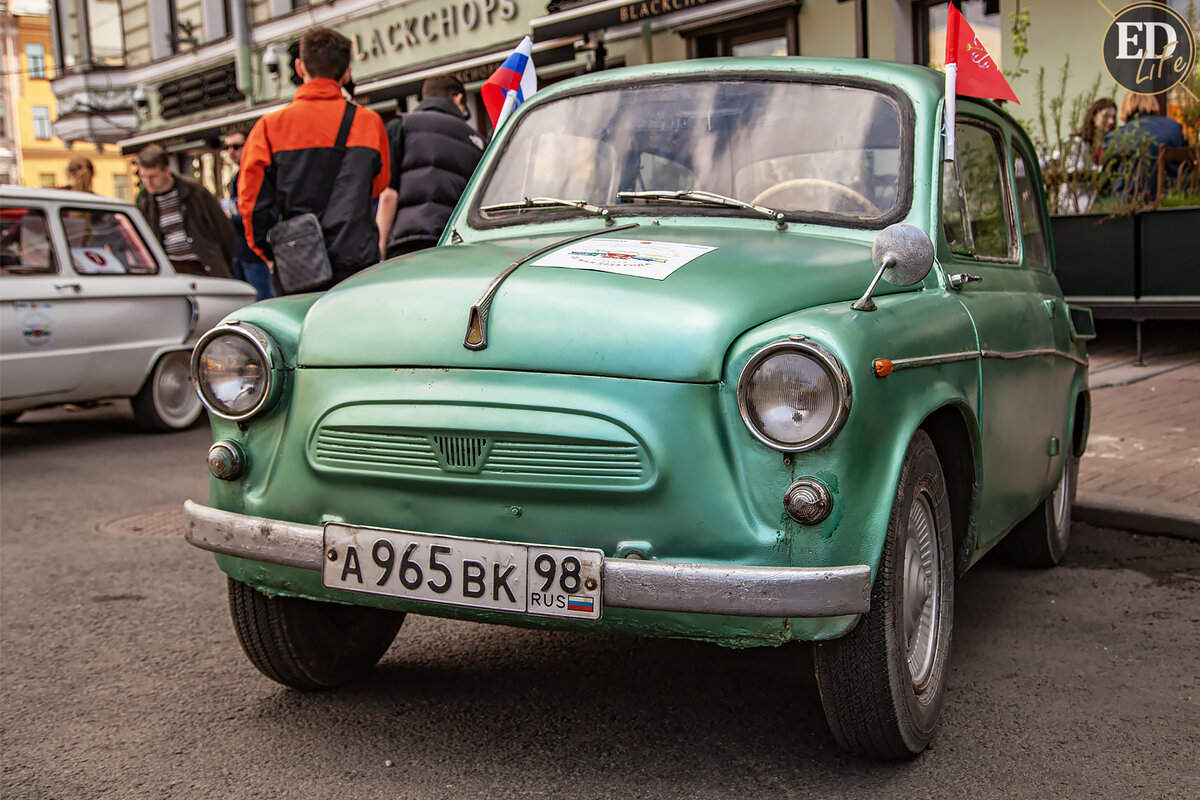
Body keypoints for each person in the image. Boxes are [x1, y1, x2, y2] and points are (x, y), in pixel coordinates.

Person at [239, 27, 389, 294]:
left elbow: (252, 207)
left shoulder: (269, 127)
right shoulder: (369, 122)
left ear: (300, 67)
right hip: (356, 259)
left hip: (298, 264)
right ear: (346, 72)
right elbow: (378, 185)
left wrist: (272, 254)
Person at [375, 74, 485, 260]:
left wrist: (381, 245)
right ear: (458, 98)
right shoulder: (477, 142)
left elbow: (388, 195)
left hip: (406, 242)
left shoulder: (400, 127)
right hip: (455, 243)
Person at [134, 145, 236, 277]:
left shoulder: (194, 192)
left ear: (166, 170)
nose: (148, 182)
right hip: (170, 271)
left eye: (153, 176)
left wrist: (222, 263)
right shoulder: (145, 201)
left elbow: (224, 230)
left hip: (203, 268)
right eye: (143, 176)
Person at [1103, 92, 1185, 202]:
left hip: (1131, 202)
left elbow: (1107, 177)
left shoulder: (1118, 135)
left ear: (1126, 106)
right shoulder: (1174, 127)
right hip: (1172, 199)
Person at [221, 131, 274, 300]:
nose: (231, 151)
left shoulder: (258, 172)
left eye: (236, 146)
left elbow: (262, 213)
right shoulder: (238, 176)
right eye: (227, 147)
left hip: (257, 251)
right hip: (242, 250)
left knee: (263, 301)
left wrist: (232, 217)